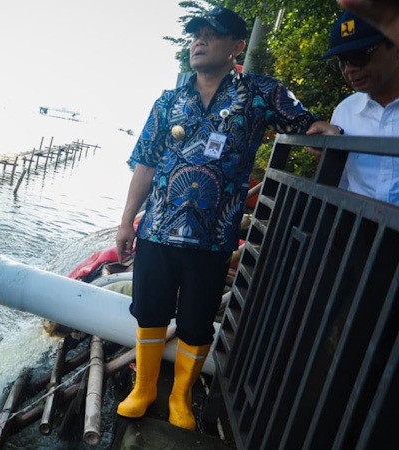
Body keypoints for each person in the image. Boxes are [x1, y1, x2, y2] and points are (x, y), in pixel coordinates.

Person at [114, 6, 339, 431]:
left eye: (211, 34)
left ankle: (180, 397)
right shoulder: (169, 101)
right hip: (158, 230)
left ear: (237, 46)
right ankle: (144, 389)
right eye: (195, 34)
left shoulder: (259, 92)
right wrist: (127, 222)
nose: (199, 41)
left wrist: (319, 130)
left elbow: (304, 122)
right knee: (149, 311)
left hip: (214, 237)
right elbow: (145, 163)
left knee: (197, 321)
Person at [315, 11, 399, 205]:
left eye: (359, 56)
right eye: (342, 60)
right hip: (357, 222)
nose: (349, 69)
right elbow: (340, 182)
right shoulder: (345, 112)